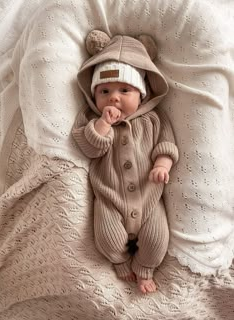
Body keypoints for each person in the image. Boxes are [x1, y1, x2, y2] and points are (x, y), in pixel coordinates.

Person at [72, 30, 179, 294]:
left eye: (124, 90)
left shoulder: (153, 119)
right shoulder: (90, 119)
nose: (114, 97)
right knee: (107, 239)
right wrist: (102, 124)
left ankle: (145, 269)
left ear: (141, 95)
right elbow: (88, 148)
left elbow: (167, 143)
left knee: (156, 239)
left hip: (149, 198)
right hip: (110, 199)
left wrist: (162, 164)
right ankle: (120, 260)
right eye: (104, 91)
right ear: (94, 96)